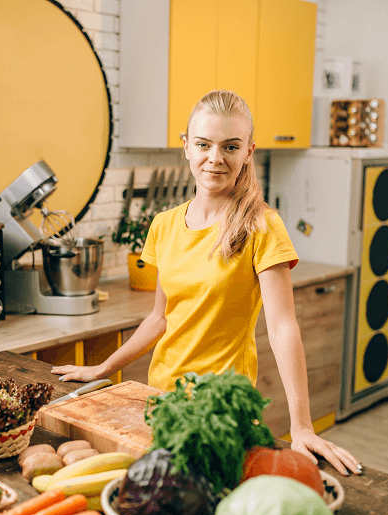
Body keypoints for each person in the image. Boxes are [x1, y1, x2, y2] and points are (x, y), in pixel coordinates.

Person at [52, 90, 361, 476]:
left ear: (248, 151)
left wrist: (301, 426)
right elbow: (160, 319)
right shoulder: (164, 225)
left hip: (223, 410)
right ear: (186, 147)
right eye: (203, 144)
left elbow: (283, 327)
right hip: (162, 402)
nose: (215, 158)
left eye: (230, 146)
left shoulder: (262, 226)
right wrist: (103, 368)